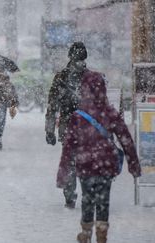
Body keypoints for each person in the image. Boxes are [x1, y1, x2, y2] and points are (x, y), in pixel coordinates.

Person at [56, 71, 141, 243]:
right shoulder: (110, 112)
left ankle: (86, 233)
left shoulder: (77, 116)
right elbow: (126, 139)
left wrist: (63, 172)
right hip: (106, 165)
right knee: (103, 199)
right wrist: (133, 164)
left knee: (87, 198)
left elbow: (68, 147)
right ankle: (102, 234)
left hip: (85, 164)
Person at [45, 41, 89, 208]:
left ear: (70, 56)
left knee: (70, 161)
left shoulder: (61, 77)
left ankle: (70, 195)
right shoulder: (92, 77)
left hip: (68, 125)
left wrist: (50, 130)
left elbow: (52, 105)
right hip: (88, 126)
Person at [0, 53, 19, 150]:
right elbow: (10, 89)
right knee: (1, 120)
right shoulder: (5, 76)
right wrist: (14, 101)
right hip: (2, 101)